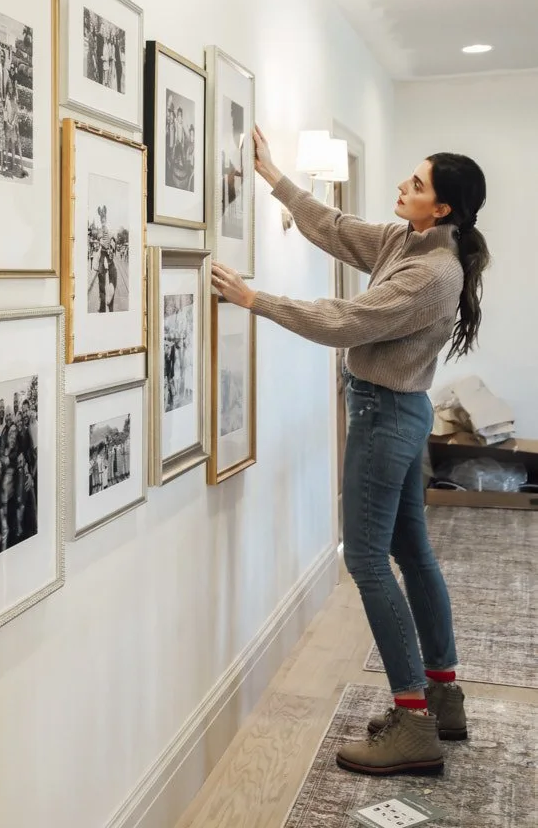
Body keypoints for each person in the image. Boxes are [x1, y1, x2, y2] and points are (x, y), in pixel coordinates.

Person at [211, 124, 489, 778]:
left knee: (364, 558)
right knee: (409, 551)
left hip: (385, 414)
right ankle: (440, 697)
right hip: (394, 412)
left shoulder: (433, 272)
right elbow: (335, 228)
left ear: (440, 208)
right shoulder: (404, 240)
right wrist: (273, 176)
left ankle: (412, 721)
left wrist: (257, 300)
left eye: (414, 184)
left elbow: (348, 321)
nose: (401, 185)